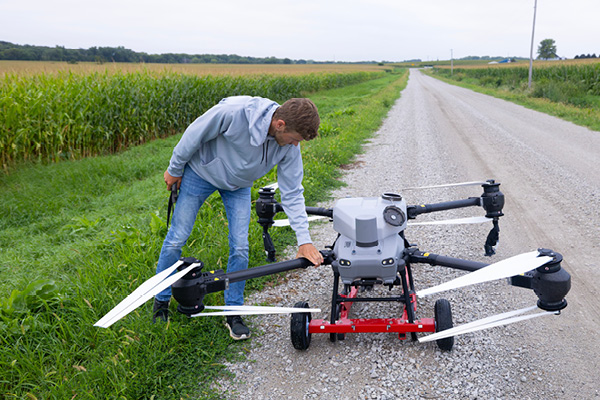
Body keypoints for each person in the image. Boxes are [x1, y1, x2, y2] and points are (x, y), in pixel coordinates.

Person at [153, 96, 324, 340]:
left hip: (239, 185)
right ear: (280, 124)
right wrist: (175, 168)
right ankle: (161, 302)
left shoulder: (288, 146)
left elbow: (292, 193)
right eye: (295, 139)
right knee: (176, 238)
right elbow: (194, 134)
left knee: (241, 247)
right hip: (201, 172)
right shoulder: (234, 113)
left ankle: (233, 312)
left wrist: (304, 240)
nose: (296, 146)